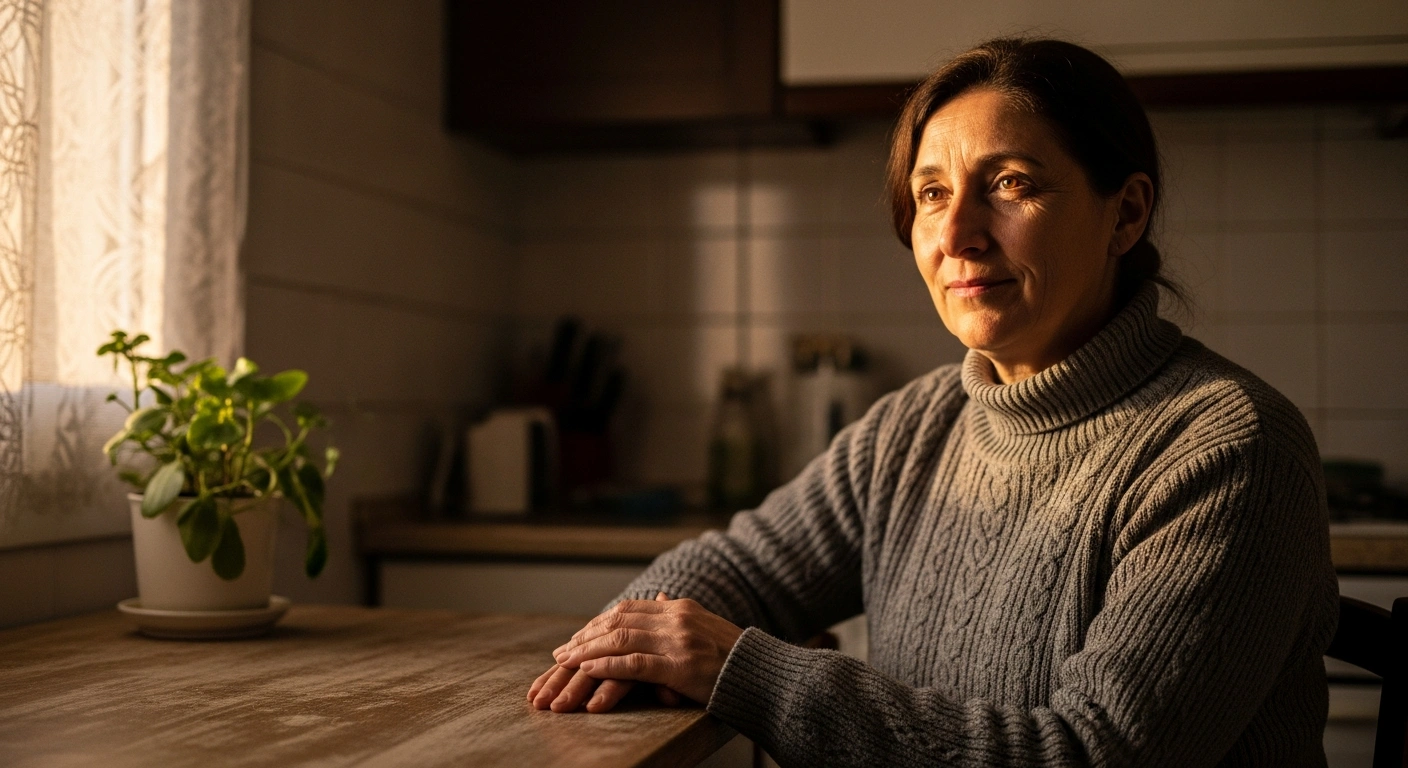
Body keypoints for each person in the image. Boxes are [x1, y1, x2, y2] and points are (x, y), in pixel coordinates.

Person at [527, 37, 1338, 767]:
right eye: (931, 194)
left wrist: (750, 673)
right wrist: (620, 645)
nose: (958, 235)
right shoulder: (912, 428)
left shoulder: (1230, 449)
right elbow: (743, 568)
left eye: (1010, 184)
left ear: (1124, 214)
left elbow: (1097, 754)